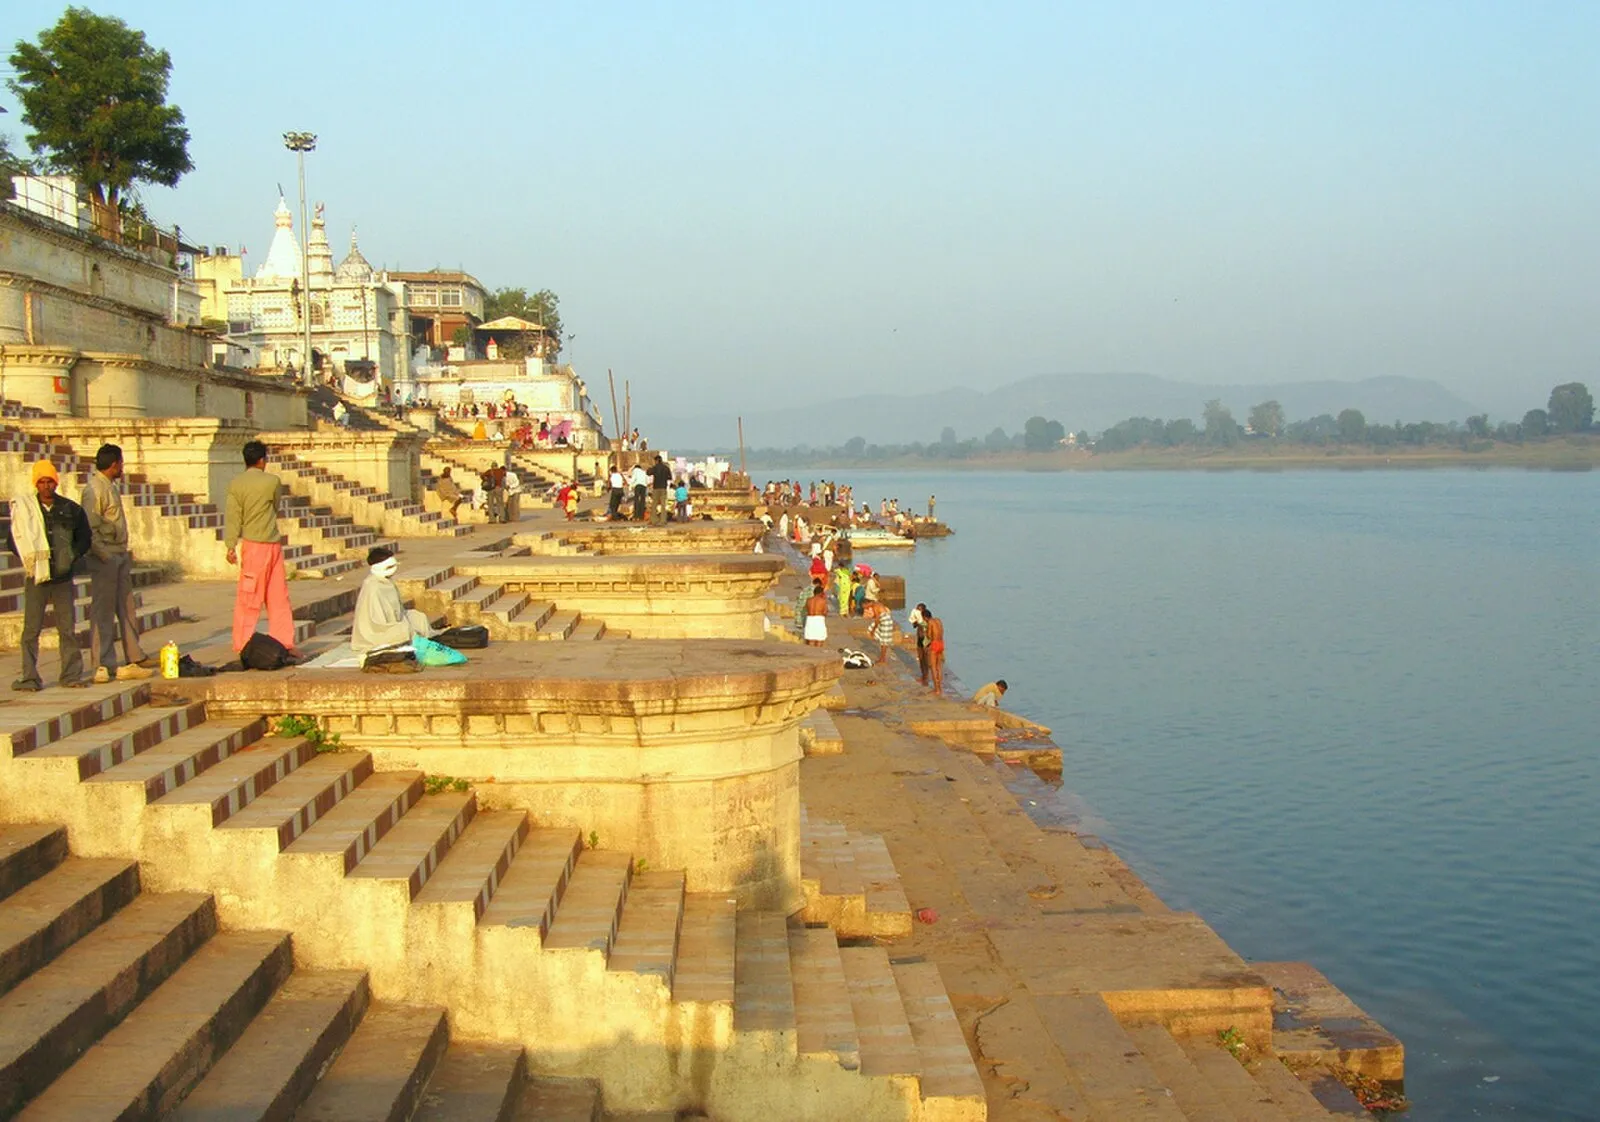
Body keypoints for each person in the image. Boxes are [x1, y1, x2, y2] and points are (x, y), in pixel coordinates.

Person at [8, 460, 91, 690]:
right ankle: (29, 677)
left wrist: (71, 555)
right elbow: (14, 540)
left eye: (50, 482)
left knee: (67, 629)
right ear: (36, 484)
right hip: (36, 577)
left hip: (62, 577)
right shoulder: (26, 510)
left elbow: (85, 537)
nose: (46, 486)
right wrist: (31, 557)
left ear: (56, 482)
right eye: (42, 482)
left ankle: (71, 676)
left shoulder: (71, 509)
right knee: (31, 630)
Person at [82, 444, 154, 683]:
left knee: (127, 606)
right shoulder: (94, 490)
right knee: (103, 611)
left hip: (119, 553)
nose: (122, 467)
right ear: (114, 464)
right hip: (105, 556)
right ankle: (103, 663)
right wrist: (104, 555)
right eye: (121, 463)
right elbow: (89, 529)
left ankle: (134, 656)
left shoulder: (109, 487)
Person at [225, 440, 297, 656]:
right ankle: (285, 642)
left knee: (249, 598)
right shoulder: (272, 482)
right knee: (278, 597)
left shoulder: (236, 484)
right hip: (271, 544)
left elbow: (233, 517)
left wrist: (230, 545)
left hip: (253, 545)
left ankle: (242, 642)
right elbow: (274, 507)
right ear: (261, 460)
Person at [351, 546, 433, 654]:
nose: (394, 569)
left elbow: (398, 609)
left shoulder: (388, 581)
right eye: (389, 567)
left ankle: (427, 642)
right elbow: (377, 621)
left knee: (419, 618)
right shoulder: (372, 586)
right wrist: (398, 624)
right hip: (377, 630)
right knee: (403, 630)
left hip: (396, 620)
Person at [868, 599, 897, 664]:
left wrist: (873, 630)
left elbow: (877, 619)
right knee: (882, 641)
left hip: (885, 622)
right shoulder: (877, 604)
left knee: (884, 642)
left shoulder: (875, 606)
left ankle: (882, 659)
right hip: (884, 621)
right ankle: (882, 658)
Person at [908, 603, 930, 685]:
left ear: (923, 610)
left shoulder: (926, 617)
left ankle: (926, 677)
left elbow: (928, 628)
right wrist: (915, 620)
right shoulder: (919, 618)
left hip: (925, 639)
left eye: (919, 609)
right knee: (920, 658)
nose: (917, 610)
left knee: (925, 658)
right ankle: (923, 675)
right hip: (919, 639)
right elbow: (914, 626)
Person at [803, 579, 829, 647]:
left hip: (810, 620)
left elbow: (806, 609)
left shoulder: (808, 600)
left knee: (810, 640)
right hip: (819, 619)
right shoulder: (823, 601)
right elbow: (825, 612)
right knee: (819, 640)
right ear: (821, 593)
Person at [925, 608, 945, 695]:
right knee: (939, 667)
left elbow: (929, 636)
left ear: (925, 617)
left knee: (933, 667)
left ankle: (937, 689)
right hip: (941, 643)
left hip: (935, 644)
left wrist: (926, 632)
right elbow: (942, 631)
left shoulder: (930, 622)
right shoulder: (938, 620)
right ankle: (940, 687)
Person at [648, 455, 673, 525]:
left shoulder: (655, 468)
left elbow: (648, 473)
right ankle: (663, 520)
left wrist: (650, 468)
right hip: (663, 488)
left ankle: (654, 520)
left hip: (656, 488)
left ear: (656, 461)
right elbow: (670, 477)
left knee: (654, 505)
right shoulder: (666, 468)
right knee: (663, 505)